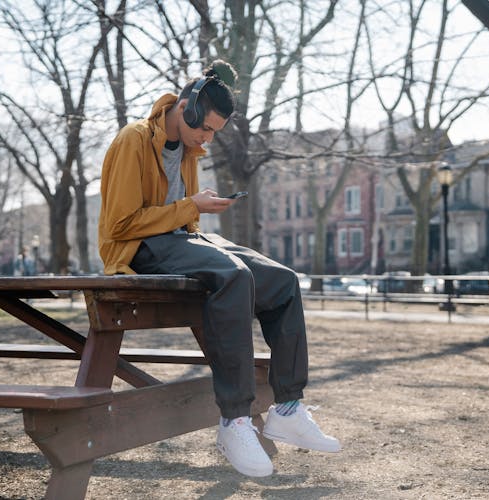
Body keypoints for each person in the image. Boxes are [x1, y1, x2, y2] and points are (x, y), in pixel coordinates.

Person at [98, 60, 341, 477]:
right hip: (136, 249)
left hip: (179, 238)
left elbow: (180, 216)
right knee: (234, 275)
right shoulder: (134, 139)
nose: (207, 138)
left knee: (282, 281)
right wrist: (192, 206)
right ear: (187, 109)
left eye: (213, 132)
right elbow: (119, 224)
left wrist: (197, 209)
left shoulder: (189, 150)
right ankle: (234, 420)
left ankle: (287, 407)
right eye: (205, 128)